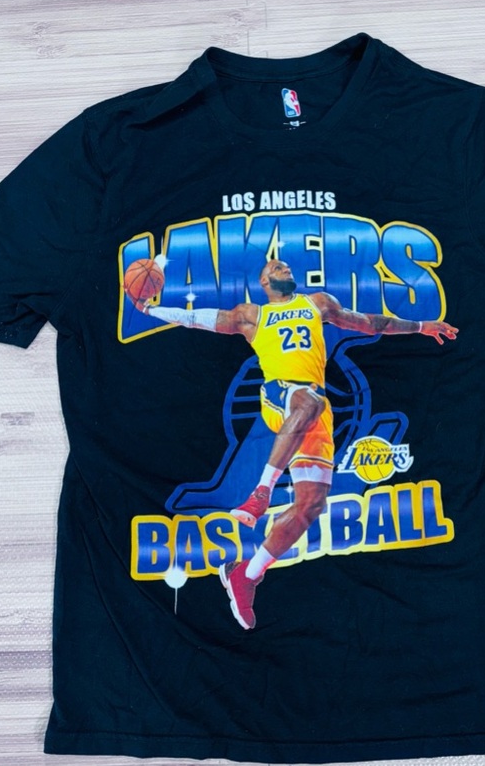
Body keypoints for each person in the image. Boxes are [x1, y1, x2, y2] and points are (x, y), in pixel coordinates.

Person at [135, 259, 457, 629]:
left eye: (287, 266)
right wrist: (152, 309)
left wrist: (421, 326)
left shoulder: (318, 303)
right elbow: (196, 318)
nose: (285, 268)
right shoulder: (253, 315)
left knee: (311, 505)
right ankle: (261, 494)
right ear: (263, 281)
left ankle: (246, 574)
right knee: (308, 402)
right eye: (276, 266)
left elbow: (372, 323)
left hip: (314, 409)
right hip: (280, 395)